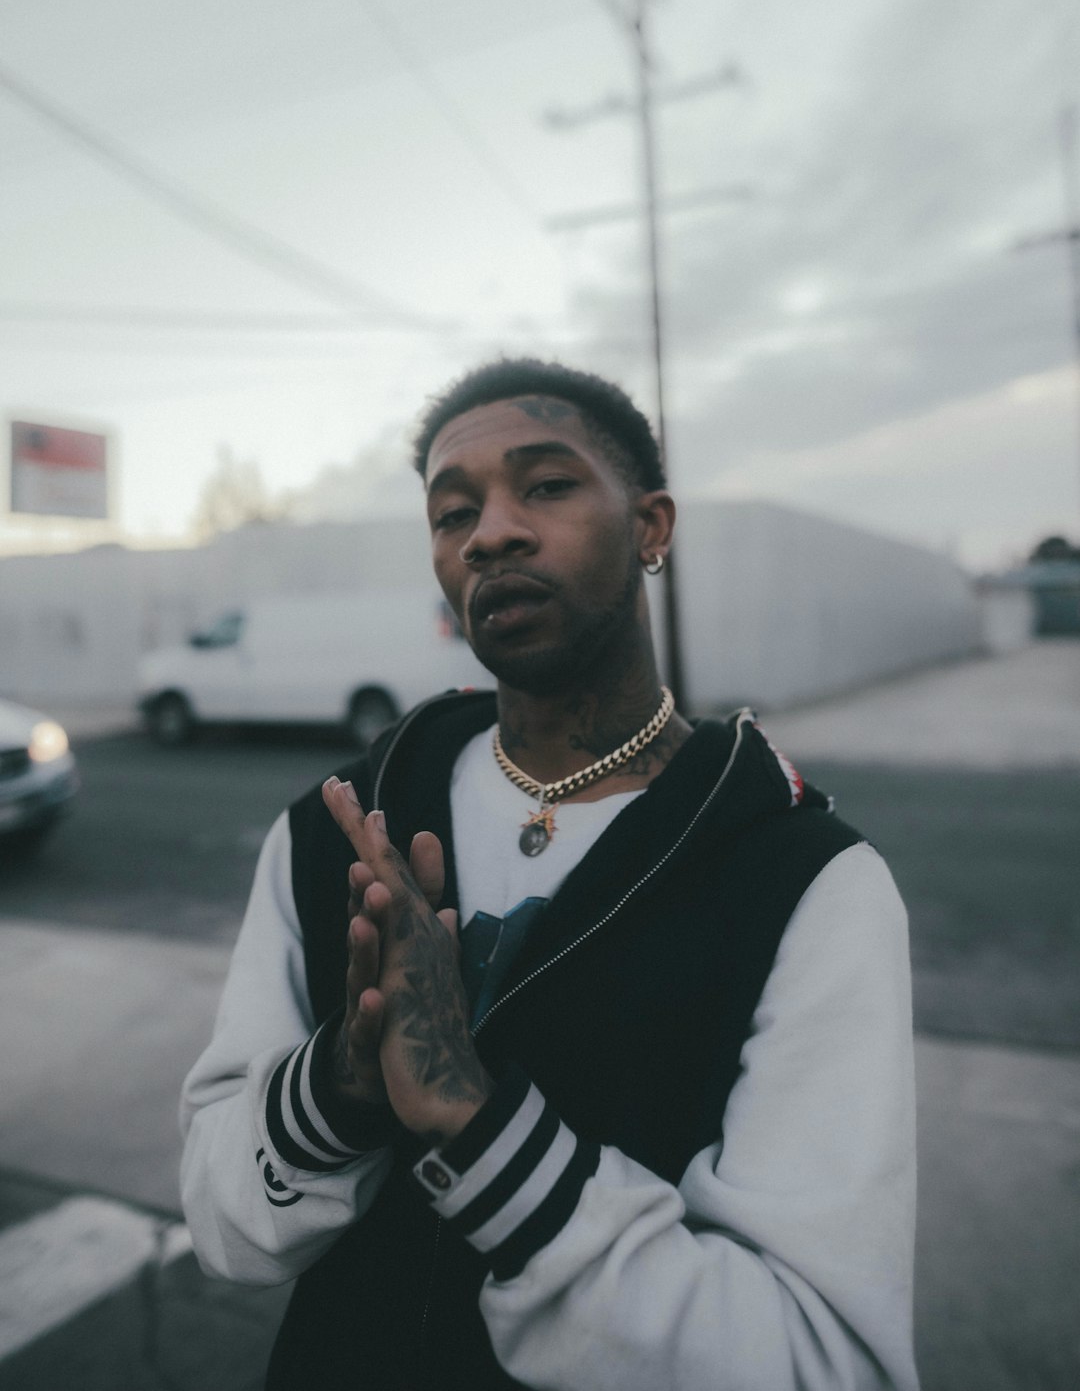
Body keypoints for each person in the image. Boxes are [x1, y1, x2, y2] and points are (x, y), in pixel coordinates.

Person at [180, 358, 919, 1391]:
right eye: (453, 512)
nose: (491, 532)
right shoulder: (337, 829)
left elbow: (818, 1363)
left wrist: (475, 1123)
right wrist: (345, 1088)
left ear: (653, 527)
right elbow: (224, 1222)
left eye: (547, 485)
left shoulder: (803, 881)